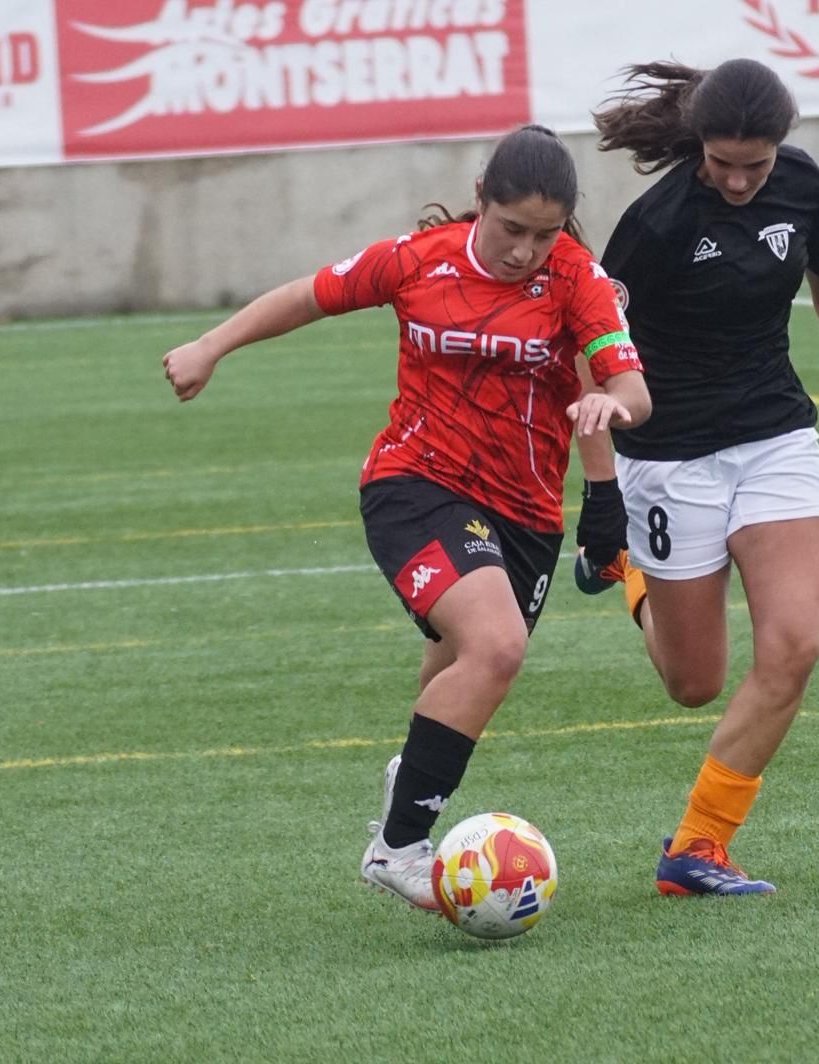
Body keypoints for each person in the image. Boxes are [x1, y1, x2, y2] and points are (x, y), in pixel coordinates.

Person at [162, 124, 651, 911]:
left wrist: (608, 405)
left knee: (459, 660)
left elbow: (632, 389)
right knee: (495, 647)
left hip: (524, 513)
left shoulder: (577, 278)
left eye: (545, 234)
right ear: (480, 201)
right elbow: (309, 295)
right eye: (511, 229)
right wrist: (210, 346)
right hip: (412, 482)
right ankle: (398, 847)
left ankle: (408, 782)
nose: (526, 250)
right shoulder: (419, 260)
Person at [572, 58, 819, 896]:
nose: (740, 181)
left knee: (795, 645)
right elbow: (592, 356)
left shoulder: (802, 187)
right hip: (668, 454)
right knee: (693, 682)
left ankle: (697, 847)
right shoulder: (658, 223)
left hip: (775, 436)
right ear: (698, 147)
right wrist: (602, 499)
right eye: (722, 164)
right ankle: (629, 566)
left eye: (757, 164)